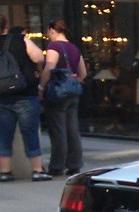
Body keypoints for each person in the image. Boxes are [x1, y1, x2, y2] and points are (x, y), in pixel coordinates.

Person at [0, 13, 50, 182]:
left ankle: (5, 172)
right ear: (6, 25)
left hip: (1, 97)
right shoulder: (20, 40)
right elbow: (38, 57)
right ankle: (37, 170)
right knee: (30, 133)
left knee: (4, 134)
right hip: (25, 93)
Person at [39, 19, 86, 176]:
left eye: (48, 32)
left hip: (57, 92)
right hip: (73, 93)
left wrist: (41, 86)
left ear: (53, 30)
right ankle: (75, 164)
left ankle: (57, 166)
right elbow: (83, 73)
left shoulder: (54, 46)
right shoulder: (74, 48)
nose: (47, 35)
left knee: (58, 129)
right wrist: (72, 82)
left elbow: (49, 66)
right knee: (72, 129)